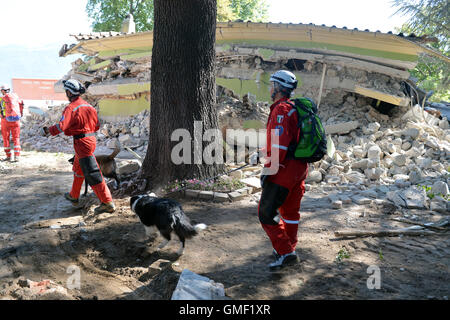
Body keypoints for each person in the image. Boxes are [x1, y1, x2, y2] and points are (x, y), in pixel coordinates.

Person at [257, 70, 308, 270]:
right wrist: (262, 152)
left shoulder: (280, 110)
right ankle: (289, 247)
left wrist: (267, 170)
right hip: (299, 169)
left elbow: (281, 146)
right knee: (290, 213)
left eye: (272, 85)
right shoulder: (295, 109)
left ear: (278, 88)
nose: (270, 88)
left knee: (266, 213)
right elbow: (288, 141)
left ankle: (286, 253)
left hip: (283, 171)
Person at [41, 79, 115, 214]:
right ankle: (74, 196)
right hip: (90, 140)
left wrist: (48, 131)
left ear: (69, 92)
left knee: (93, 172)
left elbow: (62, 126)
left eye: (66, 92)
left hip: (82, 143)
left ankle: (107, 202)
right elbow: (97, 126)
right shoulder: (89, 106)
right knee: (78, 167)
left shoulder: (71, 108)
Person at [0, 84, 24, 162]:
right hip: (16, 120)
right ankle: (17, 156)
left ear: (3, 91)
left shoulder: (1, 99)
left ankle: (8, 156)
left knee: (6, 138)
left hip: (5, 121)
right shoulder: (15, 97)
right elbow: (21, 105)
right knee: (16, 138)